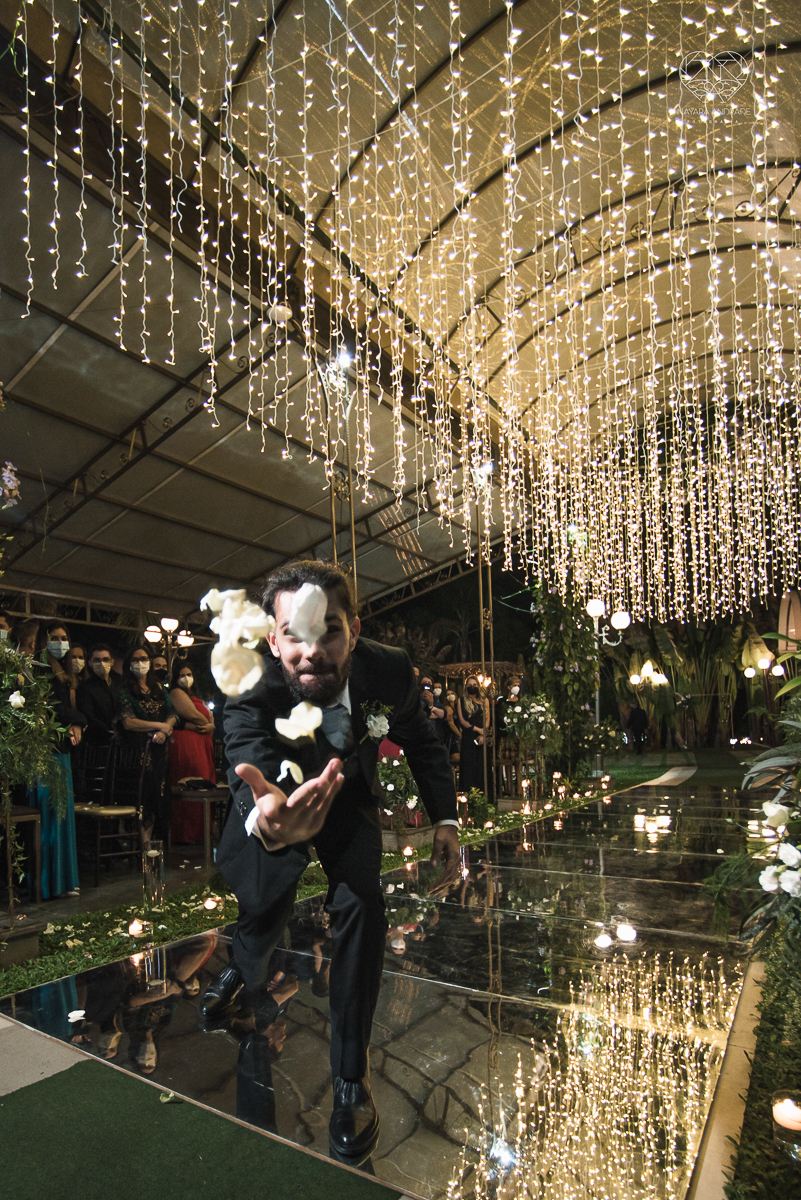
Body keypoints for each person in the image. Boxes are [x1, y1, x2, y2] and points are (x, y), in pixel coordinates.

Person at [203, 560, 459, 1159]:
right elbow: (243, 746)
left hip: (346, 801)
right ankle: (244, 968)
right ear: (272, 636)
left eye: (330, 631)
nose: (312, 651)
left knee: (363, 905)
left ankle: (351, 1073)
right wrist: (267, 817)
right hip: (278, 800)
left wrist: (445, 819)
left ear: (354, 627)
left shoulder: (389, 669)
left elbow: (422, 740)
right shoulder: (246, 673)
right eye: (295, 633)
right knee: (264, 905)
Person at [27, 622, 86, 899]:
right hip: (46, 748)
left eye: (64, 638)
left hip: (60, 747)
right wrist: (78, 720)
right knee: (50, 811)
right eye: (54, 637)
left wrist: (75, 722)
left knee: (61, 812)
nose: (60, 642)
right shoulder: (40, 667)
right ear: (41, 640)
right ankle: (50, 883)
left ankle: (63, 881)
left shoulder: (61, 672)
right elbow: (51, 705)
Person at [118, 647, 176, 843]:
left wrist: (164, 729)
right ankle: (143, 848)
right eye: (135, 659)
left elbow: (172, 714)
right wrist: (157, 726)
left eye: (144, 659)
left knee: (160, 797)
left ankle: (152, 847)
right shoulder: (125, 689)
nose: (140, 662)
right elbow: (128, 722)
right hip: (139, 751)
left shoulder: (159, 687)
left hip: (160, 750)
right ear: (128, 663)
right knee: (144, 798)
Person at [168, 659, 216, 844]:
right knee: (190, 784)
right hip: (187, 745)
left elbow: (209, 717)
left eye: (189, 675)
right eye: (182, 675)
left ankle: (200, 832)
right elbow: (195, 715)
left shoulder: (195, 695)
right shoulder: (176, 692)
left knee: (204, 782)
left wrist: (210, 724)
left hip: (201, 744)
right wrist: (206, 724)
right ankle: (186, 834)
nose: (186, 678)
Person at [77, 643, 122, 745]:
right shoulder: (85, 687)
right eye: (97, 660)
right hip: (98, 742)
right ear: (89, 663)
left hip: (122, 740)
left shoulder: (120, 683)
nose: (102, 663)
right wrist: (109, 731)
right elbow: (89, 715)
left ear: (112, 662)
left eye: (105, 659)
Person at [457, 675, 487, 794]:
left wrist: (483, 733)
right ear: (466, 687)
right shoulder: (461, 701)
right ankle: (467, 796)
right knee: (468, 766)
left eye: (474, 685)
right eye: (470, 685)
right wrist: (476, 729)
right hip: (468, 736)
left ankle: (483, 796)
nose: (472, 687)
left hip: (482, 738)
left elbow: (487, 718)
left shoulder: (484, 701)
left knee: (481, 767)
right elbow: (462, 720)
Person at [419, 673, 446, 741]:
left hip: (434, 734)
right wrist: (433, 713)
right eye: (425, 682)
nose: (427, 684)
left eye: (429, 683)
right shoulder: (416, 698)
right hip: (420, 733)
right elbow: (420, 714)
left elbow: (443, 714)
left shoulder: (436, 700)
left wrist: (431, 706)